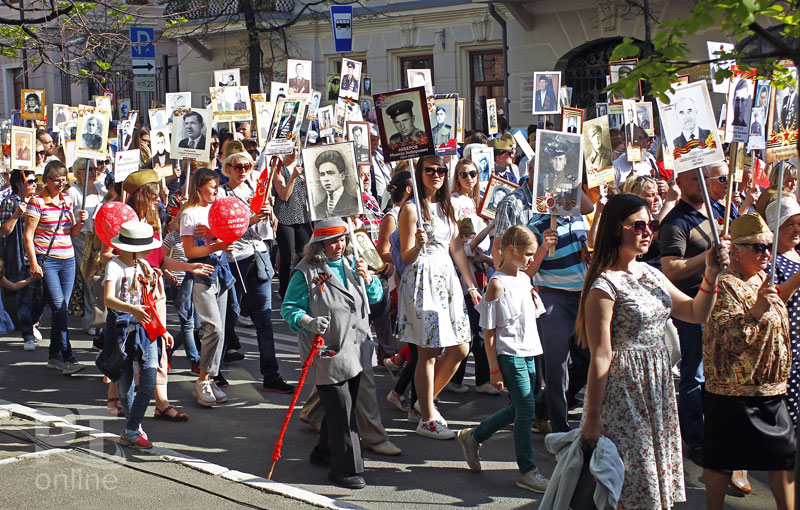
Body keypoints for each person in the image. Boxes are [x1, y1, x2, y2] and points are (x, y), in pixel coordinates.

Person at [578, 193, 729, 509]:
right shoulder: (604, 285)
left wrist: (711, 273)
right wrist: (591, 417)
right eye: (639, 225)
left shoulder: (652, 273)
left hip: (657, 389)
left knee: (650, 483)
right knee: (633, 483)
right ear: (617, 228)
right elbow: (601, 355)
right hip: (624, 393)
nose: (648, 232)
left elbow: (694, 312)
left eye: (652, 225)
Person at [280, 217, 383, 489]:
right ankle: (345, 468)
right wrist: (307, 322)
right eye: (332, 241)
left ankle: (324, 452)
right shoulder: (305, 272)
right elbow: (289, 308)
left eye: (342, 239)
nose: (339, 245)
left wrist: (369, 278)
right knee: (343, 412)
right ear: (319, 243)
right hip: (329, 352)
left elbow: (375, 298)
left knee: (339, 409)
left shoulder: (354, 263)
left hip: (357, 347)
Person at [703, 213, 795, 510]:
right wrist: (756, 309)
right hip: (733, 391)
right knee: (723, 460)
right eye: (757, 247)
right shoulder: (724, 283)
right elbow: (726, 339)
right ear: (737, 250)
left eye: (768, 246)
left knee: (783, 456)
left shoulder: (763, 279)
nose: (766, 253)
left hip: (770, 390)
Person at [458, 225, 550, 493]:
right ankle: (527, 470)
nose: (532, 260)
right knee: (526, 411)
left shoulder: (523, 278)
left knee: (520, 408)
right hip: (510, 355)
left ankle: (473, 436)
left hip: (530, 351)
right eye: (529, 254)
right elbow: (488, 333)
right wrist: (494, 370)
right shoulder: (497, 285)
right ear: (513, 250)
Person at [397, 155, 481, 439]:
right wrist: (418, 245)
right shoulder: (410, 210)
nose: (436, 174)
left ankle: (423, 402)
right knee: (429, 352)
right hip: (422, 278)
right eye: (429, 170)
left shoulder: (448, 206)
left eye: (441, 170)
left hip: (447, 281)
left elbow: (456, 248)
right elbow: (406, 257)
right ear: (418, 174)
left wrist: (470, 285)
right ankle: (427, 417)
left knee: (460, 348)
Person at [219, 148, 295, 393]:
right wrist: (252, 220)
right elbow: (225, 229)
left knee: (264, 319)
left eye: (246, 167)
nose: (242, 171)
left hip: (258, 255)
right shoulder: (222, 193)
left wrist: (269, 217)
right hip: (234, 260)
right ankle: (212, 369)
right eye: (237, 167)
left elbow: (264, 232)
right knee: (228, 317)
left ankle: (270, 374)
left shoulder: (257, 190)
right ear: (228, 168)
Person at [659, 168, 715, 464]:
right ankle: (695, 438)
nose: (703, 183)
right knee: (694, 373)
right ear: (679, 184)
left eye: (704, 178)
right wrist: (708, 258)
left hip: (718, 303)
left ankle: (714, 429)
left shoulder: (716, 210)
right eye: (695, 179)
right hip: (691, 305)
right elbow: (671, 269)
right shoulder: (675, 222)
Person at [103, 220, 173, 449]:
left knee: (149, 376)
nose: (147, 252)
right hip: (121, 328)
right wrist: (132, 309)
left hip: (146, 327)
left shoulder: (144, 266)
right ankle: (133, 428)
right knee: (125, 387)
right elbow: (108, 300)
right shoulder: (114, 265)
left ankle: (132, 429)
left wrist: (162, 330)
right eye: (143, 248)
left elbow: (150, 302)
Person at [24, 161, 88, 374]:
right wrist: (34, 263)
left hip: (68, 259)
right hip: (47, 259)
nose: (61, 184)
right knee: (59, 307)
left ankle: (53, 355)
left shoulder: (66, 200)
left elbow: (71, 234)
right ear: (47, 180)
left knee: (62, 310)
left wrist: (80, 222)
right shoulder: (37, 201)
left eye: (64, 180)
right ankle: (67, 355)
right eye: (57, 181)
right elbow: (28, 236)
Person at [179, 167, 234, 407]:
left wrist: (222, 242)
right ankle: (202, 380)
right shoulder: (189, 214)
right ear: (199, 187)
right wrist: (217, 245)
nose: (216, 191)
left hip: (221, 272)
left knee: (220, 329)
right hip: (202, 274)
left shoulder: (216, 210)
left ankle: (210, 378)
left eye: (217, 186)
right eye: (212, 186)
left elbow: (230, 237)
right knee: (214, 328)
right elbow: (190, 252)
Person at [0, 169, 41, 351]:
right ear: (19, 184)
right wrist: (16, 214)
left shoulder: (39, 201)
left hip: (39, 252)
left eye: (35, 181)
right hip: (17, 253)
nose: (34, 184)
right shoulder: (9, 202)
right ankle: (27, 334)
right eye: (30, 181)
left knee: (44, 295)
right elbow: (3, 231)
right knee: (23, 294)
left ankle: (32, 322)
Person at [312, 150, 359, 219]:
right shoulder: (316, 209)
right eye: (322, 174)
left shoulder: (355, 203)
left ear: (342, 175)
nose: (326, 179)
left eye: (330, 173)